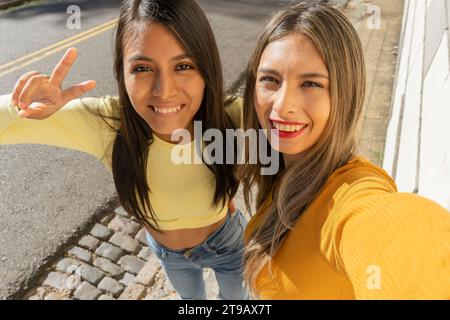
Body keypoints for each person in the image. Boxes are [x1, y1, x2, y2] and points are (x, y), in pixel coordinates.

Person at [0, 0, 249, 300]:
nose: (164, 89)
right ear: (122, 72)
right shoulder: (109, 124)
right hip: (168, 254)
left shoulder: (234, 116)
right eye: (142, 68)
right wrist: (21, 105)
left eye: (184, 66)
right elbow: (8, 125)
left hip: (227, 244)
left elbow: (313, 131)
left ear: (206, 67)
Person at [237, 1, 450, 299]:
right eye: (270, 80)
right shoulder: (281, 165)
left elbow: (408, 248)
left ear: (344, 94)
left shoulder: (350, 197)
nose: (282, 106)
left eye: (310, 84)